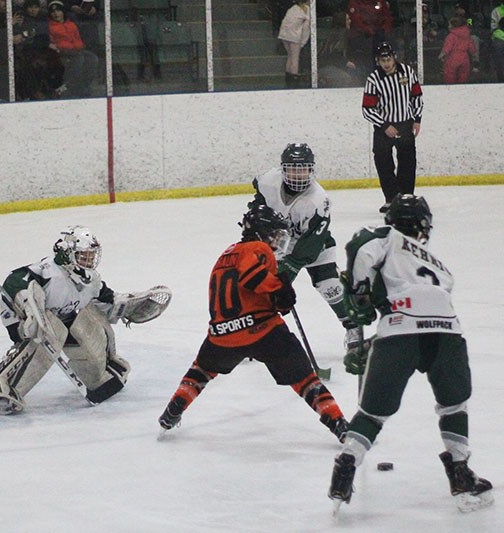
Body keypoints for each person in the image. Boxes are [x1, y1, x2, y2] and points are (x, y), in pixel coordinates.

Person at [328, 193, 494, 513]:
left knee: (373, 413)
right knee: (454, 404)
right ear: (424, 226)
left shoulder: (386, 237)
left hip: (399, 332)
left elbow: (360, 248)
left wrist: (360, 294)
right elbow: (424, 314)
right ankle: (461, 473)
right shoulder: (442, 268)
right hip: (447, 332)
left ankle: (346, 463)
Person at [157, 205, 349, 442]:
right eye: (274, 235)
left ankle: (173, 410)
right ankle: (337, 422)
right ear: (261, 233)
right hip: (263, 332)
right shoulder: (258, 249)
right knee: (305, 380)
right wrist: (280, 290)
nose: (277, 241)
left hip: (221, 335)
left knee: (201, 370)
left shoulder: (225, 255)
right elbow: (252, 278)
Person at [0, 226, 170, 414]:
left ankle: (101, 373)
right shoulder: (49, 271)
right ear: (68, 254)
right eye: (83, 255)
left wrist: (127, 307)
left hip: (60, 317)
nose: (89, 260)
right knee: (50, 330)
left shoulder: (90, 281)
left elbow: (108, 300)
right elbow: (14, 281)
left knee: (87, 321)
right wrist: (28, 306)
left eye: (91, 255)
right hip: (23, 319)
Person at [248, 143, 363, 352]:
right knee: (264, 285)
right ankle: (256, 332)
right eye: (293, 169)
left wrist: (290, 268)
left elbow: (312, 242)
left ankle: (353, 327)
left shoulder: (319, 200)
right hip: (279, 240)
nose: (298, 174)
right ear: (283, 169)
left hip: (313, 243)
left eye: (303, 169)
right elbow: (258, 205)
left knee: (328, 284)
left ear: (311, 170)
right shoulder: (268, 181)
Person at [362, 41, 423, 214]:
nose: (386, 63)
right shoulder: (374, 79)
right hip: (384, 127)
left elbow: (416, 96)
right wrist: (384, 125)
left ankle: (406, 197)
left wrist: (417, 118)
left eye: (388, 59)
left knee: (407, 161)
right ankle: (391, 198)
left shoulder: (408, 72)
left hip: (405, 124)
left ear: (394, 57)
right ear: (378, 61)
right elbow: (367, 108)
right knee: (383, 162)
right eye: (383, 60)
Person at [47, 0, 99, 97]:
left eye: (58, 11)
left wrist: (78, 47)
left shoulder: (71, 24)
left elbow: (78, 39)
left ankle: (83, 85)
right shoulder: (50, 26)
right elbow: (52, 42)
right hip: (62, 51)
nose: (56, 14)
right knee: (79, 59)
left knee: (92, 58)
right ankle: (68, 86)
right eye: (53, 12)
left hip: (76, 50)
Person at [347, 0, 393, 70]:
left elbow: (387, 17)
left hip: (379, 36)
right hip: (361, 38)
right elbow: (355, 19)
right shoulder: (355, 2)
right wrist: (366, 29)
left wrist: (385, 30)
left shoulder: (380, 2)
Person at [278, 0, 311, 88]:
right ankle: (293, 82)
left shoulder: (292, 9)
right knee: (295, 59)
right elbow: (306, 28)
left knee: (290, 56)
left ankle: (288, 80)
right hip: (294, 36)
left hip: (284, 34)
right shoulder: (307, 11)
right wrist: (303, 42)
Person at [439, 16, 477, 84]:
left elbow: (447, 47)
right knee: (463, 75)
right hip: (465, 58)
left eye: (449, 24)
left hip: (452, 57)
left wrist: (442, 55)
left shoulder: (451, 36)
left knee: (449, 75)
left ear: (453, 26)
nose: (448, 26)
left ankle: (451, 89)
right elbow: (472, 47)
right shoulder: (467, 35)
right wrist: (474, 54)